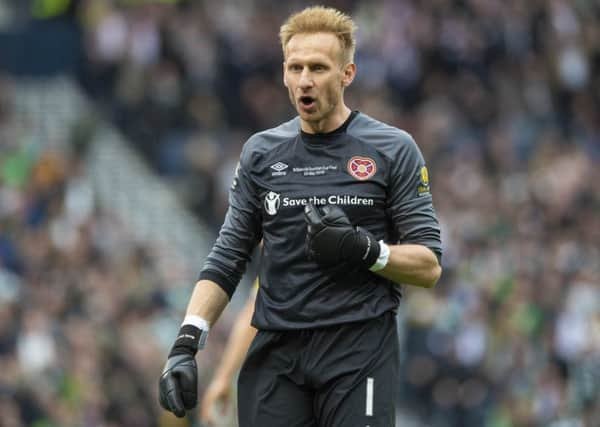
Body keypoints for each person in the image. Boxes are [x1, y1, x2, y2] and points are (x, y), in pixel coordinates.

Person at [158, 6, 442, 427]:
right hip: (277, 356)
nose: (305, 79)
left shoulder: (393, 149)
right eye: (295, 67)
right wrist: (186, 343)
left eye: (318, 67)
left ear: (347, 74)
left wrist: (365, 250)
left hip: (358, 348)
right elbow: (227, 257)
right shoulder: (261, 153)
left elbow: (429, 266)